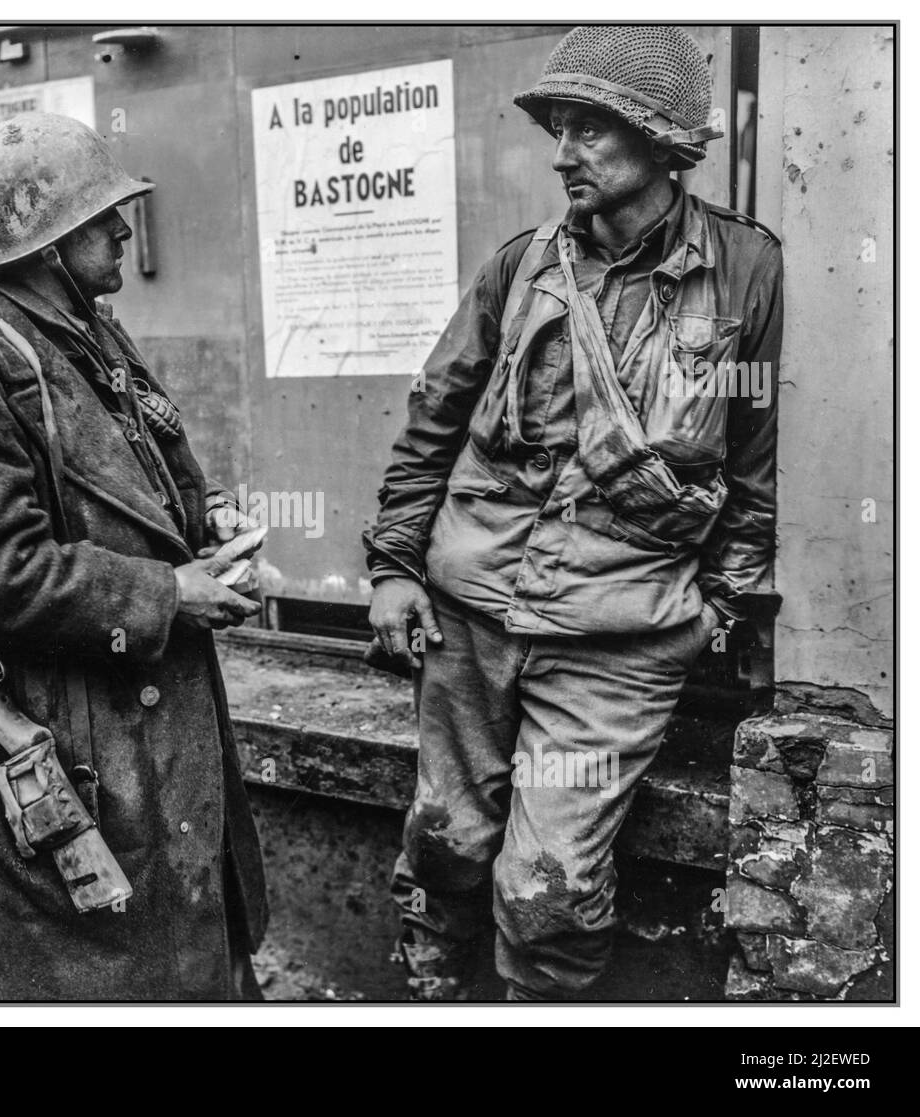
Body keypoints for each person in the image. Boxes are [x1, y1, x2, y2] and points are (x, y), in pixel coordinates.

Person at [363, 25, 781, 1000]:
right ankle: (429, 994)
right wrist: (392, 566)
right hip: (471, 613)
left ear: (660, 138)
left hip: (618, 632)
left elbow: (756, 455)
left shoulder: (744, 275)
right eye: (560, 127)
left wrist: (721, 605)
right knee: (444, 842)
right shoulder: (519, 269)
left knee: (547, 885)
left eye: (589, 129)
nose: (563, 152)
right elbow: (432, 423)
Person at [0, 113, 267, 1000]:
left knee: (180, 960)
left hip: (146, 727)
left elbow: (147, 476)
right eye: (101, 219)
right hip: (75, 732)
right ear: (46, 244)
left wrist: (208, 523)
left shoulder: (89, 333)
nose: (124, 230)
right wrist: (170, 593)